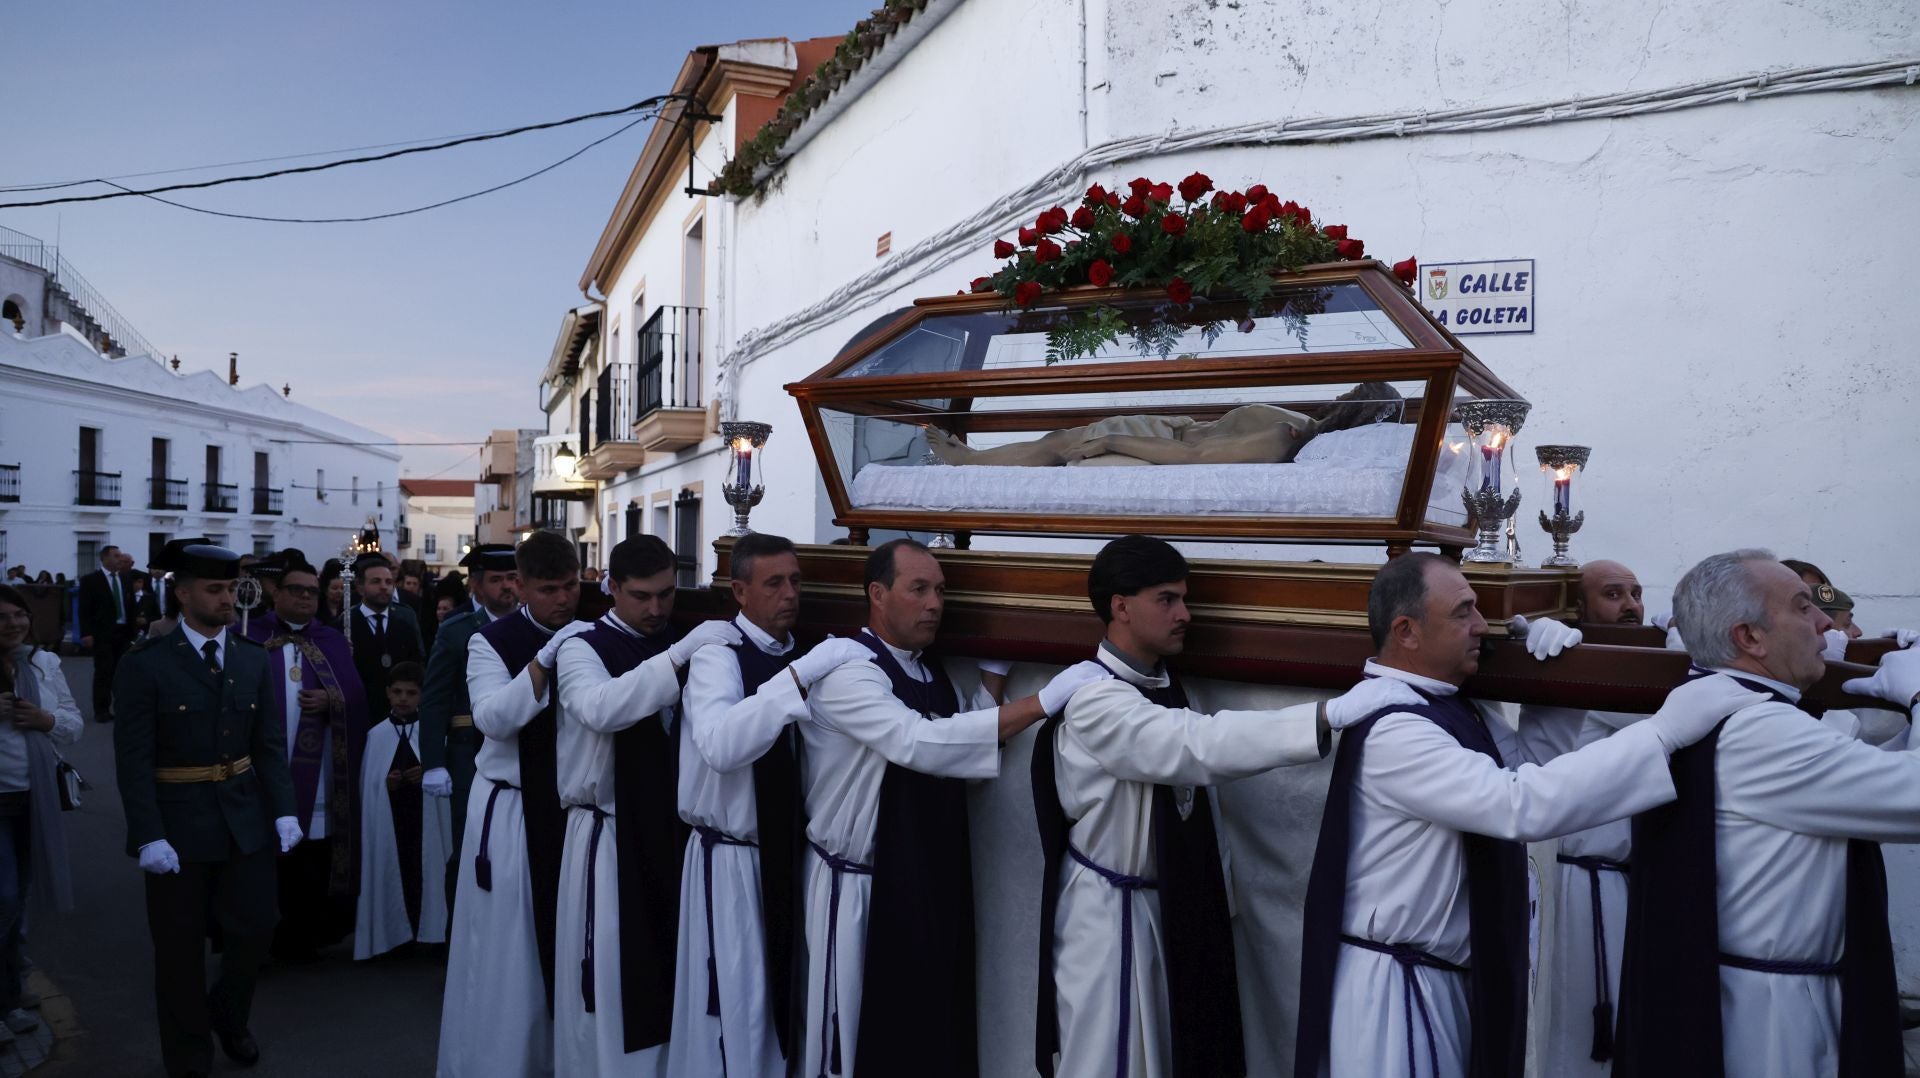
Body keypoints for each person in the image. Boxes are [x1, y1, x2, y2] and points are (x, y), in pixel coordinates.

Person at [1292, 552, 1751, 1078]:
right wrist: (1661, 734)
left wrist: (1556, 690)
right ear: (1406, 631)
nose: (1481, 626)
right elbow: (1517, 805)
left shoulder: (1455, 705)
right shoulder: (1397, 726)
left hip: (1441, 977)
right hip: (1396, 995)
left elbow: (1536, 773)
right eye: (1463, 612)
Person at [1031, 536, 1421, 1078]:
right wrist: (1324, 716)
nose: (1185, 615)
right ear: (1120, 606)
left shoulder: (1163, 684)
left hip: (1167, 908)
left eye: (1184, 598)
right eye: (1167, 600)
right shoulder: (1095, 699)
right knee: (1110, 1060)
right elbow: (1194, 745)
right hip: (1109, 922)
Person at [769, 538, 1098, 1077]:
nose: (935, 604)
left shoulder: (926, 672)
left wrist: (994, 674)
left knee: (924, 1035)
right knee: (851, 1041)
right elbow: (918, 742)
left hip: (919, 880)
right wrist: (1041, 702)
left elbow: (956, 745)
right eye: (918, 589)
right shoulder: (850, 672)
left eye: (941, 591)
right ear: (877, 594)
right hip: (858, 887)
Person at [1613, 551, 1920, 1078]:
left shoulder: (1740, 710)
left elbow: (1863, 777)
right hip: (1779, 1022)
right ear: (1750, 638)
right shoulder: (1765, 731)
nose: (1825, 622)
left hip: (1770, 994)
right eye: (1803, 607)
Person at [668, 534, 870, 1078]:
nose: (790, 594)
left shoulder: (802, 653)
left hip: (789, 856)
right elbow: (720, 746)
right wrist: (797, 679)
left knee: (784, 1007)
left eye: (796, 581)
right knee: (738, 1010)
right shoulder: (719, 656)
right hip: (731, 860)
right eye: (774, 583)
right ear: (739, 591)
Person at [551, 536, 743, 1075]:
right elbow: (599, 708)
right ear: (612, 588)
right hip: (608, 834)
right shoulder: (581, 646)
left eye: (666, 594)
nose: (657, 609)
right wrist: (678, 656)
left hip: (667, 831)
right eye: (641, 596)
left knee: (671, 970)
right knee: (613, 975)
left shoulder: (681, 638)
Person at [112, 540, 302, 1077]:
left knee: (256, 927)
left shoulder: (249, 657)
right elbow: (133, 760)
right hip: (177, 823)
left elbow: (267, 744)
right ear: (183, 593)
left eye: (231, 588)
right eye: (215, 589)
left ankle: (228, 1014)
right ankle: (188, 1055)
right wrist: (148, 834)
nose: (227, 599)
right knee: (178, 951)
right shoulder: (147, 664)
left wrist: (284, 809)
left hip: (243, 816)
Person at [437, 532, 582, 1078]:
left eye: (571, 586)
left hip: (569, 810)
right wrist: (543, 661)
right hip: (513, 810)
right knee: (509, 951)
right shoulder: (490, 641)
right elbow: (493, 718)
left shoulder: (588, 632)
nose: (563, 599)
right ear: (521, 586)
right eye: (549, 589)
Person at [259, 558, 369, 963]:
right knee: (267, 854)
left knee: (313, 853)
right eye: (296, 590)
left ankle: (308, 936)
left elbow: (357, 698)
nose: (305, 597)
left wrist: (331, 699)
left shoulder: (331, 640)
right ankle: (264, 937)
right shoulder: (251, 636)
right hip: (265, 769)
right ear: (277, 593)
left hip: (319, 769)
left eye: (311, 591)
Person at [0, 584, 79, 1044]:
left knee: (18, 901)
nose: (13, 623)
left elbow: (73, 723)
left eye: (19, 614)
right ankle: (5, 998)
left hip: (34, 797)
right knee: (5, 898)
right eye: (2, 617)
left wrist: (46, 721)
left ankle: (11, 983)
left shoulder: (43, 663)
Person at [419, 544, 519, 907]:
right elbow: (435, 699)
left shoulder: (531, 625)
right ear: (476, 586)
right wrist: (433, 762)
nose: (507, 586)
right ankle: (458, 927)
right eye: (496, 579)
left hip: (519, 748)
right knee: (469, 844)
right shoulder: (457, 631)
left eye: (513, 578)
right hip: (469, 751)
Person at [355, 661, 449, 959]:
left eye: (411, 693)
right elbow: (368, 785)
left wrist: (428, 771)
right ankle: (393, 937)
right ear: (387, 693)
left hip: (424, 818)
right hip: (392, 818)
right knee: (394, 870)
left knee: (429, 870)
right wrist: (385, 783)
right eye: (397, 692)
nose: (403, 699)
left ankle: (434, 934)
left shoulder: (432, 732)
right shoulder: (377, 736)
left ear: (422, 694)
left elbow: (446, 775)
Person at [348, 552, 426, 710]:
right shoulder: (346, 624)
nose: (384, 587)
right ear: (360, 587)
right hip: (358, 707)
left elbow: (416, 666)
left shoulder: (404, 626)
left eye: (389, 582)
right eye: (376, 581)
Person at [78, 546, 137, 723]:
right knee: (104, 671)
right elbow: (84, 608)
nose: (120, 559)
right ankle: (101, 709)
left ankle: (122, 707)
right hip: (102, 633)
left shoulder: (125, 578)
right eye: (116, 556)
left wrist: (133, 630)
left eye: (120, 555)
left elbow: (131, 605)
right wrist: (86, 633)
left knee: (123, 672)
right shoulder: (91, 580)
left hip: (124, 632)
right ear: (104, 558)